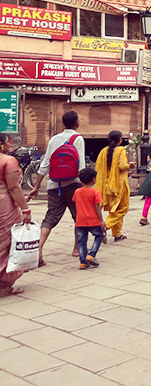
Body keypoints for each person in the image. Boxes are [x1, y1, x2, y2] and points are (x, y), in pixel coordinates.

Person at [28, 110, 85, 266]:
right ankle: (76, 249)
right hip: (73, 184)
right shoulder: (78, 138)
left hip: (54, 184)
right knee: (78, 217)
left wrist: (36, 186)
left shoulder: (54, 139)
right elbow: (81, 166)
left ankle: (37, 251)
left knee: (50, 218)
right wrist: (85, 186)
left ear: (62, 123)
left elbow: (45, 163)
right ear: (77, 123)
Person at [0, 133, 31, 296]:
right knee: (5, 243)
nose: (9, 144)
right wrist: (25, 209)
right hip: (4, 204)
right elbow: (13, 188)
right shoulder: (8, 161)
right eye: (7, 142)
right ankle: (3, 286)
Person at [95, 130, 130, 242]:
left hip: (106, 186)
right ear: (119, 140)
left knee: (114, 209)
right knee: (122, 209)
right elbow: (122, 165)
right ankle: (105, 226)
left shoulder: (103, 151)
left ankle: (117, 234)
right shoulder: (121, 150)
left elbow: (98, 168)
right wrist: (130, 165)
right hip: (119, 185)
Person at [73, 168, 105, 270]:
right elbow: (97, 207)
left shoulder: (77, 192)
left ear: (81, 180)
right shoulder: (95, 192)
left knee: (81, 242)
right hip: (93, 220)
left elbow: (75, 202)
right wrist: (101, 220)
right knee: (99, 236)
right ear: (93, 179)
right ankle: (91, 254)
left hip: (80, 221)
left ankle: (83, 262)